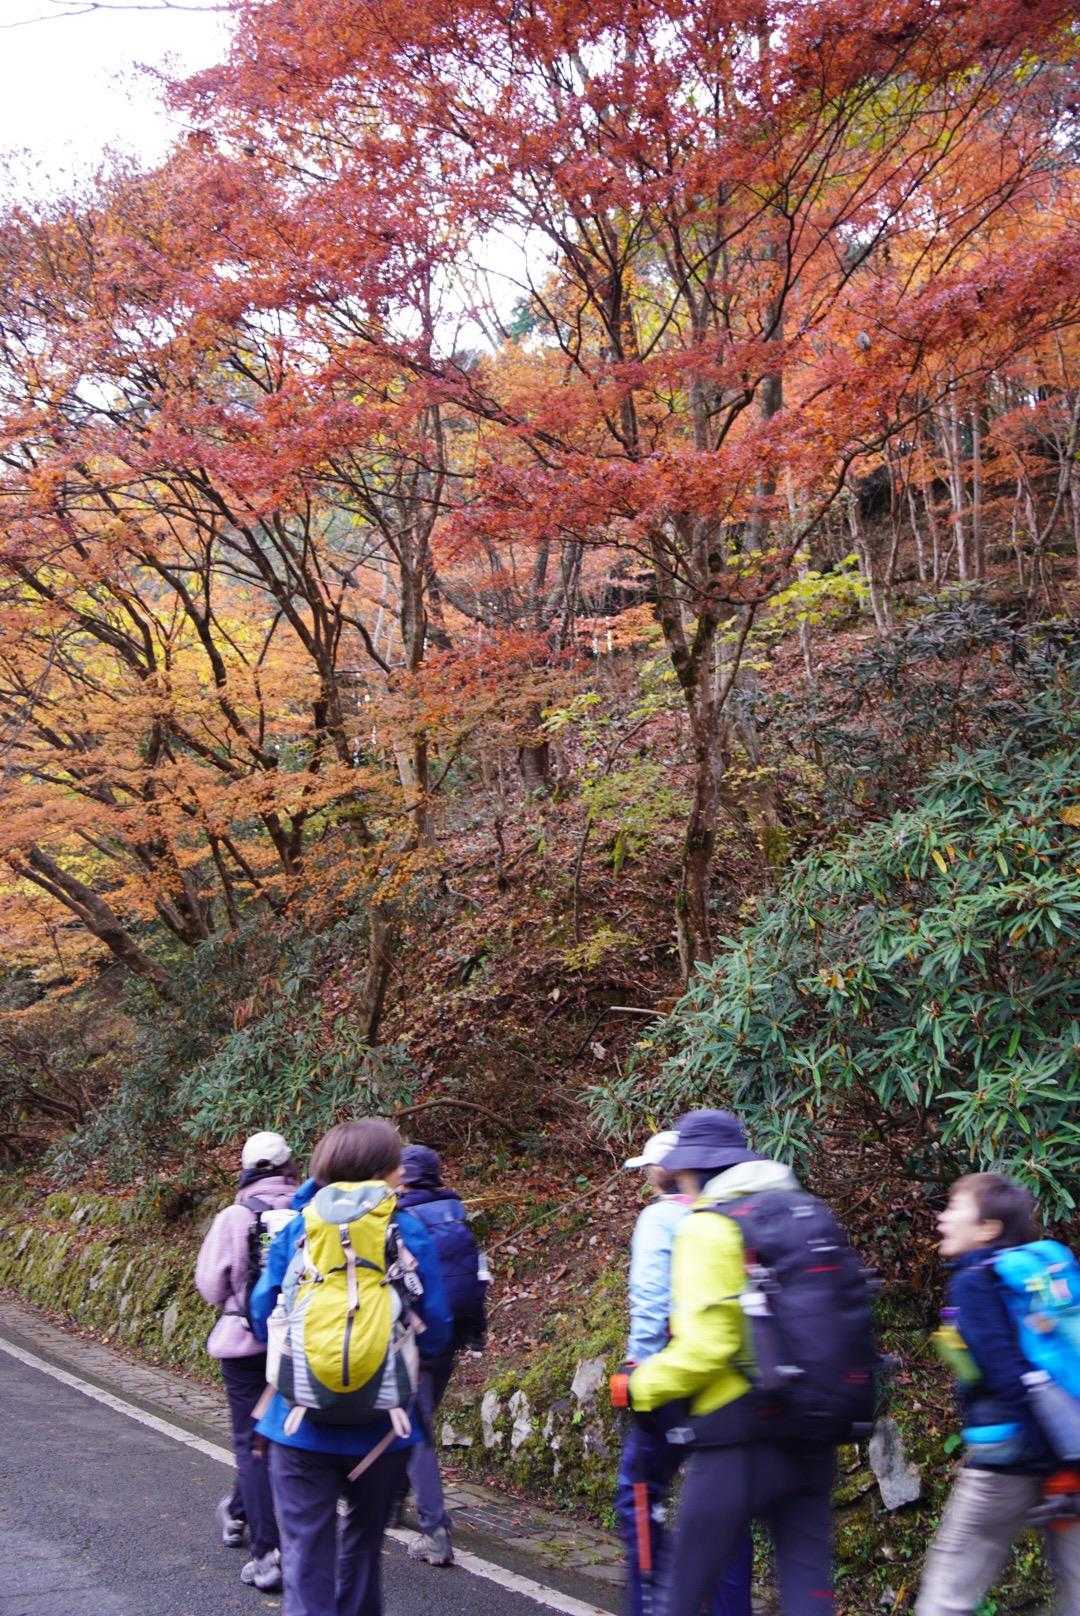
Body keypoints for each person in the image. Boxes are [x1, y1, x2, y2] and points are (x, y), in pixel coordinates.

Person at [628, 1109, 840, 1616]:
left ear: (693, 1169)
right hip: (815, 1426)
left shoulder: (710, 1226)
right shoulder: (809, 1212)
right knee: (808, 1587)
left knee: (682, 1589)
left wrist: (640, 1385)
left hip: (739, 1432)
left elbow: (708, 1347)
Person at [249, 1119, 452, 1616]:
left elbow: (261, 1312)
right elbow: (437, 1325)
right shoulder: (406, 1229)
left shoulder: (299, 1226)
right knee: (363, 1551)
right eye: (397, 1163)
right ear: (384, 1170)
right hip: (383, 1427)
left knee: (305, 1554)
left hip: (298, 1423)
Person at [916, 1174, 1080, 1615]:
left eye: (954, 1208)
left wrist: (1048, 1457)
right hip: (1070, 1449)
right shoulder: (1036, 1275)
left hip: (1007, 1458)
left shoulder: (975, 1281)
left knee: (947, 1592)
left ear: (987, 1228)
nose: (942, 1219)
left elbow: (1009, 1377)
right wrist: (1067, 1461)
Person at [615, 1129, 753, 1616]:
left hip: (673, 1378)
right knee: (725, 1513)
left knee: (639, 1495)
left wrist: (639, 1370)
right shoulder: (739, 1211)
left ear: (663, 1171)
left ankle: (656, 1602)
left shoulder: (660, 1218)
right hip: (733, 1388)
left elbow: (651, 1301)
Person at [195, 1129, 299, 1593]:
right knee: (282, 1440)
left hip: (244, 1345)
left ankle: (267, 1554)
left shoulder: (235, 1217)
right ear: (290, 1165)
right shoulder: (310, 1211)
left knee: (252, 1443)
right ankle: (238, 1511)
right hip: (297, 1346)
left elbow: (210, 1286)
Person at [395, 1143, 488, 1567]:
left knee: (415, 1427)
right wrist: (475, 1332)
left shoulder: (399, 1219)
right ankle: (393, 1502)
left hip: (414, 1335)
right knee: (413, 1419)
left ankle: (435, 1530)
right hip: (451, 1334)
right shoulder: (455, 1213)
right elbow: (477, 1277)